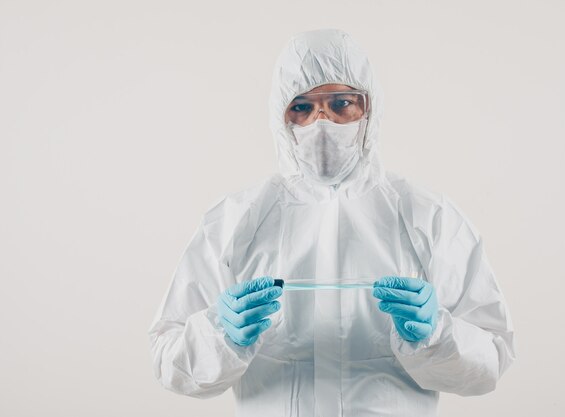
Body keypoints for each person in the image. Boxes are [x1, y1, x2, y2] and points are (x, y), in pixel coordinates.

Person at [148, 28, 515, 417]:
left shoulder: (429, 217)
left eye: (341, 103)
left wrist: (437, 335)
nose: (321, 123)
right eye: (302, 107)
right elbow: (167, 359)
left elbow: (491, 359)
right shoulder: (235, 221)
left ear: (368, 108)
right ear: (281, 116)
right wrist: (219, 334)